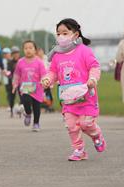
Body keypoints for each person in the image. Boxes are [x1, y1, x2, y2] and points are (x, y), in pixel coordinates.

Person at [42, 18, 106, 161]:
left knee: (85, 124)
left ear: (76, 34)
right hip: (68, 98)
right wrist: (47, 79)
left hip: (86, 97)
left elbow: (94, 67)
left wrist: (93, 79)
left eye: (65, 33)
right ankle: (79, 150)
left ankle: (96, 135)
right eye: (58, 33)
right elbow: (53, 72)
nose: (61, 36)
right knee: (71, 126)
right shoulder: (57, 55)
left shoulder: (84, 51)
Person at [13, 40, 47, 131]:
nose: (28, 50)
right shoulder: (20, 62)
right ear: (23, 50)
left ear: (35, 50)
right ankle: (28, 113)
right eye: (26, 48)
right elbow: (17, 74)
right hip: (26, 87)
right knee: (26, 101)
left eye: (30, 48)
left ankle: (36, 123)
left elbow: (44, 74)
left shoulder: (39, 62)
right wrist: (15, 84)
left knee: (36, 106)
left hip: (38, 87)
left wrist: (45, 82)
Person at [37, 47, 54, 112]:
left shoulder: (47, 58)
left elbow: (51, 68)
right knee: (41, 94)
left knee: (48, 94)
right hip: (39, 80)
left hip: (48, 79)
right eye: (38, 51)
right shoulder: (37, 59)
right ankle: (42, 106)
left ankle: (49, 106)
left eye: (41, 51)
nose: (40, 53)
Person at [6, 46, 22, 117]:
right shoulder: (10, 62)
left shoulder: (21, 61)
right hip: (12, 82)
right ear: (12, 54)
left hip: (21, 82)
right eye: (14, 53)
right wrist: (11, 78)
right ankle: (12, 110)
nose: (16, 55)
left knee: (22, 96)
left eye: (17, 53)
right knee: (12, 96)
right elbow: (8, 72)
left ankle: (21, 110)